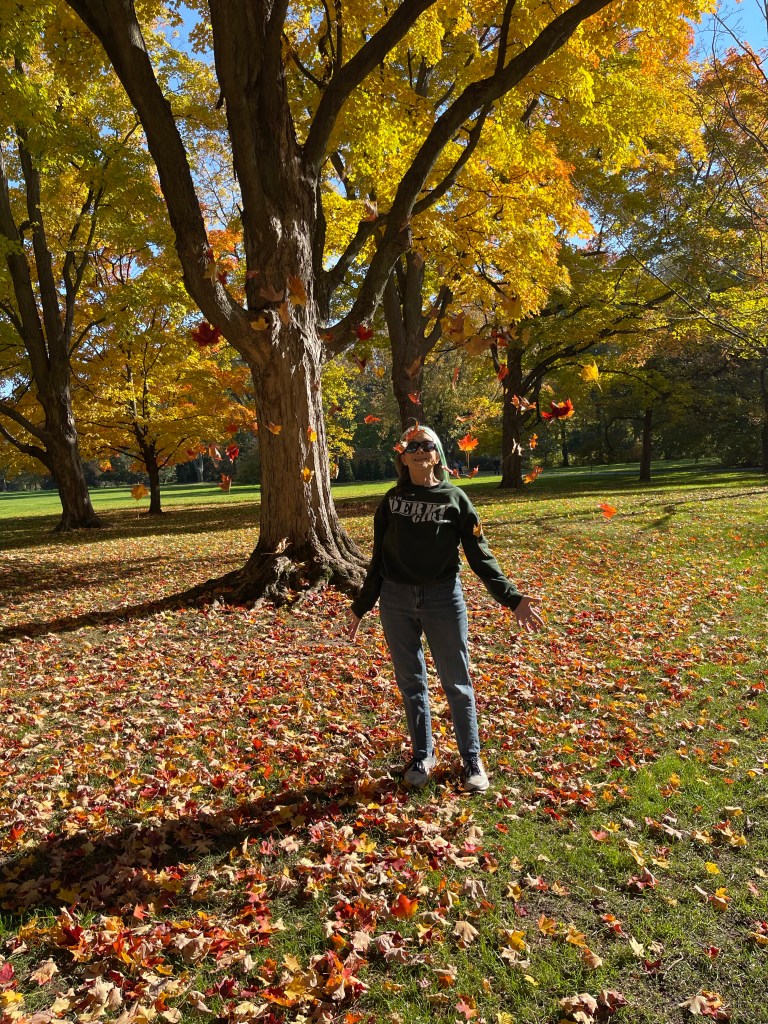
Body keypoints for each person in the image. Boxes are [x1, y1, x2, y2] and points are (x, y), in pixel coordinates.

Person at [345, 424, 544, 792]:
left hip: (443, 599)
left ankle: (472, 759)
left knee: (457, 682)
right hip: (396, 600)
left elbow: (480, 556)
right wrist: (361, 605)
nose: (420, 450)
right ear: (403, 458)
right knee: (411, 682)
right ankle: (423, 755)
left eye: (427, 444)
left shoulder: (456, 500)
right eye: (412, 446)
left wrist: (512, 598)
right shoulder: (390, 501)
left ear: (438, 454)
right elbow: (377, 561)